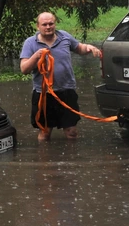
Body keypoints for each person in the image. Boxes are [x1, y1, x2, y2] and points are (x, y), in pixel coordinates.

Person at [20, 11, 102, 140]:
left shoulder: (64, 37)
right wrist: (36, 56)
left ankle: (72, 158)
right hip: (43, 94)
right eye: (44, 24)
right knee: (45, 132)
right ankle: (44, 158)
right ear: (38, 26)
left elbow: (79, 48)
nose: (48, 27)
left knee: (72, 132)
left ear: (55, 24)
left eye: (51, 23)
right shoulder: (30, 43)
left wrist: (89, 48)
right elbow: (24, 69)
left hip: (66, 91)